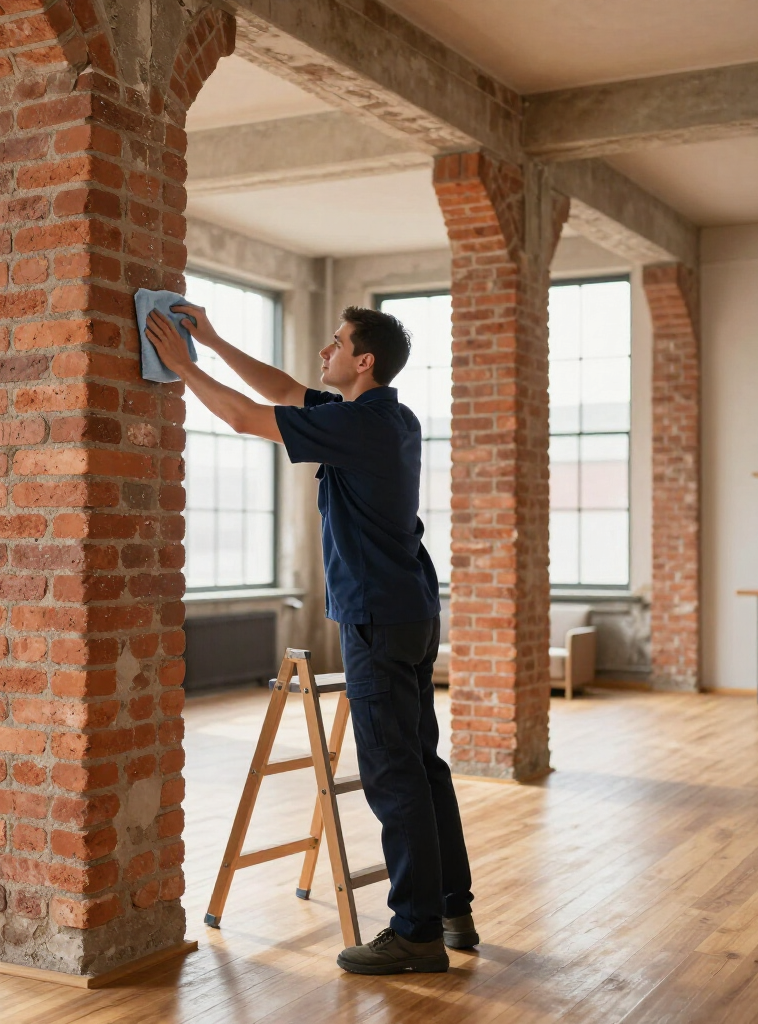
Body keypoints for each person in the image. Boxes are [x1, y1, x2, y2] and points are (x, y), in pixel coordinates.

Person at [145, 302, 478, 976]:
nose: (324, 350)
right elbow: (277, 391)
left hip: (378, 618)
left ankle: (415, 935)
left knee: (393, 772)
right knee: (422, 764)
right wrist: (212, 339)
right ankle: (451, 910)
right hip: (410, 610)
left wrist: (182, 367)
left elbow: (243, 416)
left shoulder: (357, 423)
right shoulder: (388, 416)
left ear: (364, 361)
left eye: (336, 342)